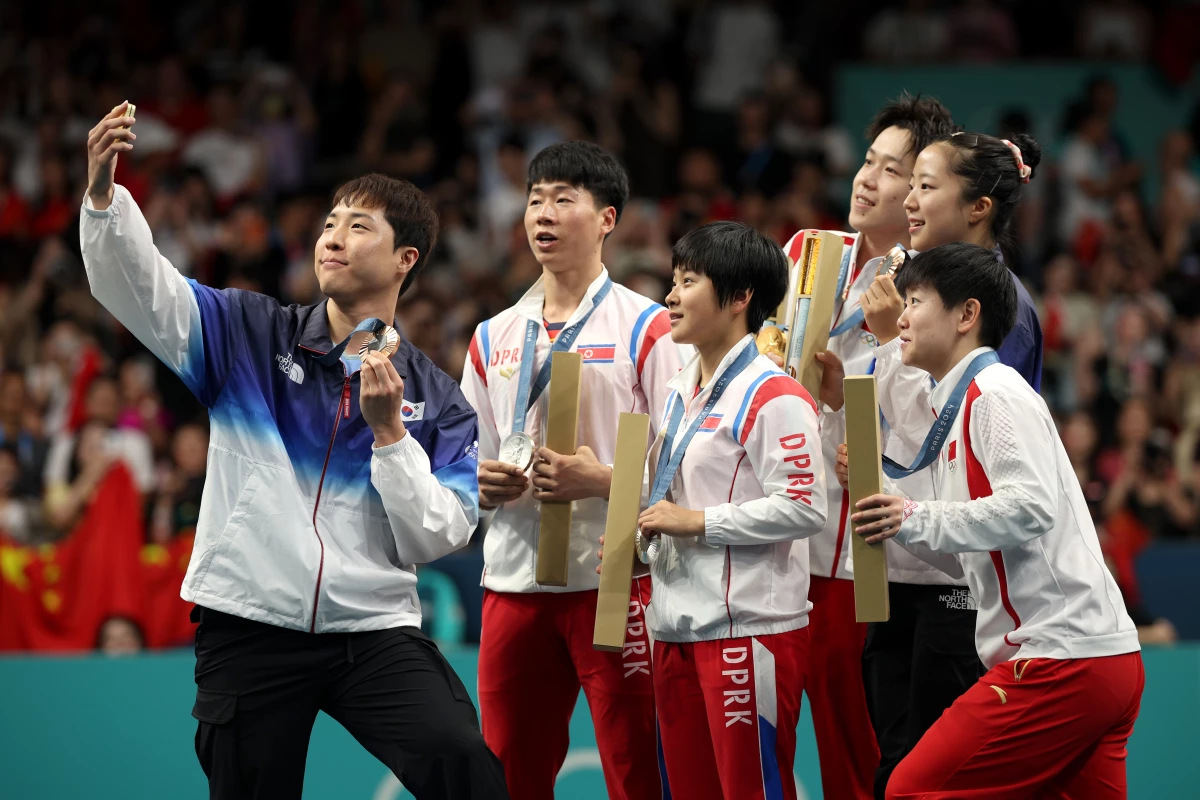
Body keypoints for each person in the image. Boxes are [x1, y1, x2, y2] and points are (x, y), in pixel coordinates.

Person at [81, 102, 508, 800]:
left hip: (371, 628)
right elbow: (143, 291)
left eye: (359, 226)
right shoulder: (247, 332)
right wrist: (105, 200)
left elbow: (438, 534)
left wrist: (390, 437)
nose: (333, 236)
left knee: (458, 757)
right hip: (250, 620)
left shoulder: (438, 399)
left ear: (406, 259)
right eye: (330, 222)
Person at [838, 243, 1142, 798]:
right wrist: (891, 510)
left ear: (966, 314)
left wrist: (910, 513)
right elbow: (966, 558)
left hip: (1060, 658)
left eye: (915, 301)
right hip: (1094, 656)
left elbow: (1029, 507)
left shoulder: (994, 393)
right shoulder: (959, 405)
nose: (900, 317)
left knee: (909, 790)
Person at [460, 141, 681, 800]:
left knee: (638, 772)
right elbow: (464, 458)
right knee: (510, 775)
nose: (544, 214)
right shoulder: (492, 335)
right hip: (512, 583)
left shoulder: (650, 328)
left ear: (607, 218)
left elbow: (685, 461)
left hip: (615, 581)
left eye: (563, 199)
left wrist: (604, 480)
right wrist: (482, 482)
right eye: (535, 200)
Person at [844, 128, 1046, 796]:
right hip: (899, 563)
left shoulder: (1000, 308)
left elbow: (959, 434)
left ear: (978, 207)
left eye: (925, 186)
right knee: (895, 764)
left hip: (960, 578)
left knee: (929, 775)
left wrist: (886, 344)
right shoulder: (914, 282)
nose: (907, 199)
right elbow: (913, 427)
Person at [607, 220, 825, 800]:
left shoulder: (774, 395)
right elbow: (674, 493)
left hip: (746, 633)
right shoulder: (679, 392)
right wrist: (645, 540)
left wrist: (698, 523)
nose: (670, 297)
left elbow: (805, 508)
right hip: (673, 626)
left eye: (688, 282)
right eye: (673, 281)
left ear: (739, 297)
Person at [778, 92, 956, 800]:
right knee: (760, 748)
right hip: (781, 540)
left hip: (866, 558)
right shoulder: (807, 254)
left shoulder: (934, 288)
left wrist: (850, 402)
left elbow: (938, 421)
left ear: (920, 191)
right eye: (867, 161)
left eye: (891, 170)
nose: (866, 179)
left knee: (857, 753)